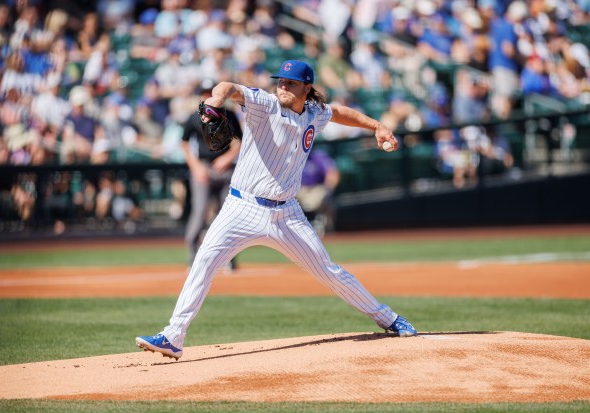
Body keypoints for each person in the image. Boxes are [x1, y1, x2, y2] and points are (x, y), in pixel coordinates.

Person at [135, 60, 417, 361]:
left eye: (291, 83)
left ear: (306, 88)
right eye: (281, 81)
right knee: (204, 261)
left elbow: (339, 113)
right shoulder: (264, 104)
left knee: (329, 271)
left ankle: (388, 318)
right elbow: (230, 87)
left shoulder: (314, 113)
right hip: (241, 207)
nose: (283, 86)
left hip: (287, 215)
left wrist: (377, 126)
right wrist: (216, 99)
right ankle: (173, 337)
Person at [181, 80, 242, 270]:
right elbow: (184, 143)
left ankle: (228, 258)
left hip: (226, 170)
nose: (208, 96)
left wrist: (227, 159)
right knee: (199, 213)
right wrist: (196, 167)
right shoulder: (194, 117)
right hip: (204, 169)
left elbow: (239, 142)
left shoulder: (229, 115)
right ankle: (193, 254)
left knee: (227, 214)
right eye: (205, 93)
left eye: (211, 93)